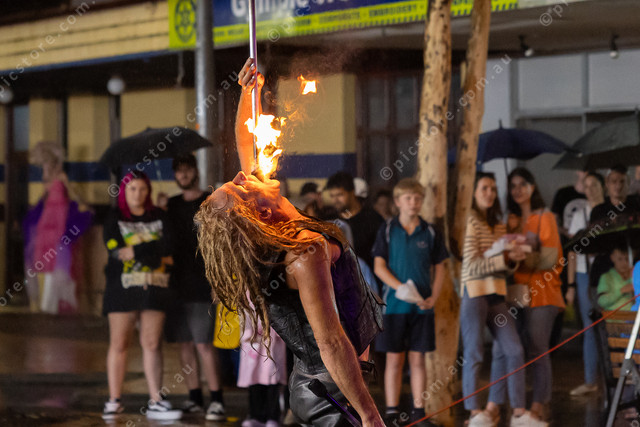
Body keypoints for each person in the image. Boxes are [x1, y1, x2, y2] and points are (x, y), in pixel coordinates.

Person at [195, 58, 385, 427]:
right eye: (239, 188)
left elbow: (246, 143)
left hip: (324, 384)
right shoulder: (302, 252)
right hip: (330, 393)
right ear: (256, 214)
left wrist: (247, 93)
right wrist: (370, 416)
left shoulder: (281, 228)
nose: (241, 175)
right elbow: (330, 342)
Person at [460, 172, 546, 427]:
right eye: (484, 188)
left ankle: (518, 413)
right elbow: (471, 266)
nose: (489, 193)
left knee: (514, 349)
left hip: (497, 293)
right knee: (474, 352)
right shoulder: (470, 221)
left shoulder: (498, 225)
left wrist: (512, 259)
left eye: (493, 189)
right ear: (474, 193)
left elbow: (503, 268)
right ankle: (474, 413)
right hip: (475, 292)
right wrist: (502, 259)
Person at [102, 171, 181, 421]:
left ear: (149, 191)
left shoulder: (159, 215)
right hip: (122, 289)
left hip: (155, 287)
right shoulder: (114, 217)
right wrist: (153, 251)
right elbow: (115, 250)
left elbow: (169, 247)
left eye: (142, 189)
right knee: (119, 343)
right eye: (132, 189)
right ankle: (114, 400)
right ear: (124, 192)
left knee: (152, 343)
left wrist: (136, 250)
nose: (138, 194)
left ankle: (156, 400)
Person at [371, 178, 448, 426]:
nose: (413, 202)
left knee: (418, 360)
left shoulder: (430, 231)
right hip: (394, 307)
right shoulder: (387, 229)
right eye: (408, 198)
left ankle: (418, 412)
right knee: (394, 359)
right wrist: (400, 288)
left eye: (417, 198)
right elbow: (379, 266)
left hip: (422, 308)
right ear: (397, 202)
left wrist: (433, 297)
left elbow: (441, 267)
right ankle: (392, 413)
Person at [162, 154, 225, 420]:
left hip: (202, 283)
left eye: (187, 170)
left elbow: (219, 245)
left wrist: (217, 282)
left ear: (195, 172)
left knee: (203, 344)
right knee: (184, 344)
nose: (184, 175)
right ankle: (194, 397)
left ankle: (217, 399)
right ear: (175, 175)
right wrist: (160, 209)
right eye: (179, 171)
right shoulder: (170, 205)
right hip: (176, 285)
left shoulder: (209, 202)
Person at [506, 167, 565, 423]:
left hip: (544, 292)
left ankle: (540, 404)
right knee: (517, 350)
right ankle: (519, 409)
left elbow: (551, 258)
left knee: (538, 349)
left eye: (522, 184)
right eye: (513, 185)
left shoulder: (545, 217)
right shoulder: (511, 220)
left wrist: (522, 256)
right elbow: (505, 258)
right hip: (518, 293)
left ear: (532, 186)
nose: (517, 190)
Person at [565, 171, 605, 396]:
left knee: (610, 325)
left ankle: (617, 377)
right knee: (590, 328)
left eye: (594, 184)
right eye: (586, 185)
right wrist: (570, 285)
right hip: (583, 274)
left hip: (606, 273)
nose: (590, 189)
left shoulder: (610, 212)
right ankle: (591, 380)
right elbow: (572, 251)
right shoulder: (580, 214)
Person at [237, 304, 287, 427]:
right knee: (254, 381)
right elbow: (244, 315)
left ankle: (273, 416)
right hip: (253, 344)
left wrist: (272, 331)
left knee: (272, 381)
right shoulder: (246, 297)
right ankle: (255, 415)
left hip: (272, 342)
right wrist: (250, 333)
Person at [326, 171, 383, 268]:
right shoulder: (329, 221)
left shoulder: (372, 219)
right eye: (332, 196)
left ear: (352, 193)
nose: (335, 200)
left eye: (340, 195)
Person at [597, 246, 634, 311]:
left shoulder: (634, 274)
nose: (624, 263)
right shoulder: (606, 277)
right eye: (620, 259)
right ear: (612, 258)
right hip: (615, 315)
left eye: (627, 259)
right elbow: (602, 301)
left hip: (634, 314)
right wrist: (621, 291)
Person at [551, 170, 586, 239]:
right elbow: (553, 221)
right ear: (577, 171)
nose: (587, 173)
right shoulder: (563, 193)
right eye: (584, 170)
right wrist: (567, 233)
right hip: (567, 242)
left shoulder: (596, 194)